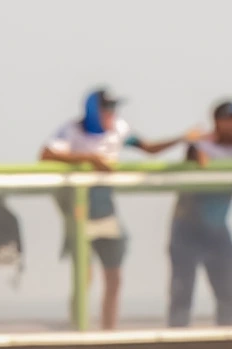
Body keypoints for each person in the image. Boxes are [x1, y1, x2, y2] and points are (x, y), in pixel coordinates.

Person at [41, 88, 193, 330]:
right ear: (93, 110)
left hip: (105, 207)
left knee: (114, 275)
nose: (112, 113)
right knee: (84, 275)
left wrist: (182, 138)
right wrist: (89, 159)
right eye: (107, 108)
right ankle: (78, 327)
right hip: (79, 206)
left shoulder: (119, 129)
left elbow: (148, 148)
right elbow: (47, 154)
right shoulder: (71, 130)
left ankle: (109, 330)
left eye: (113, 108)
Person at [168, 100, 232, 328]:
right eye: (228, 120)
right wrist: (196, 144)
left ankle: (226, 340)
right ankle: (176, 341)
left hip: (217, 228)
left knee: (227, 290)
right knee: (182, 290)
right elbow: (199, 159)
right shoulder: (201, 144)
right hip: (187, 227)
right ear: (217, 122)